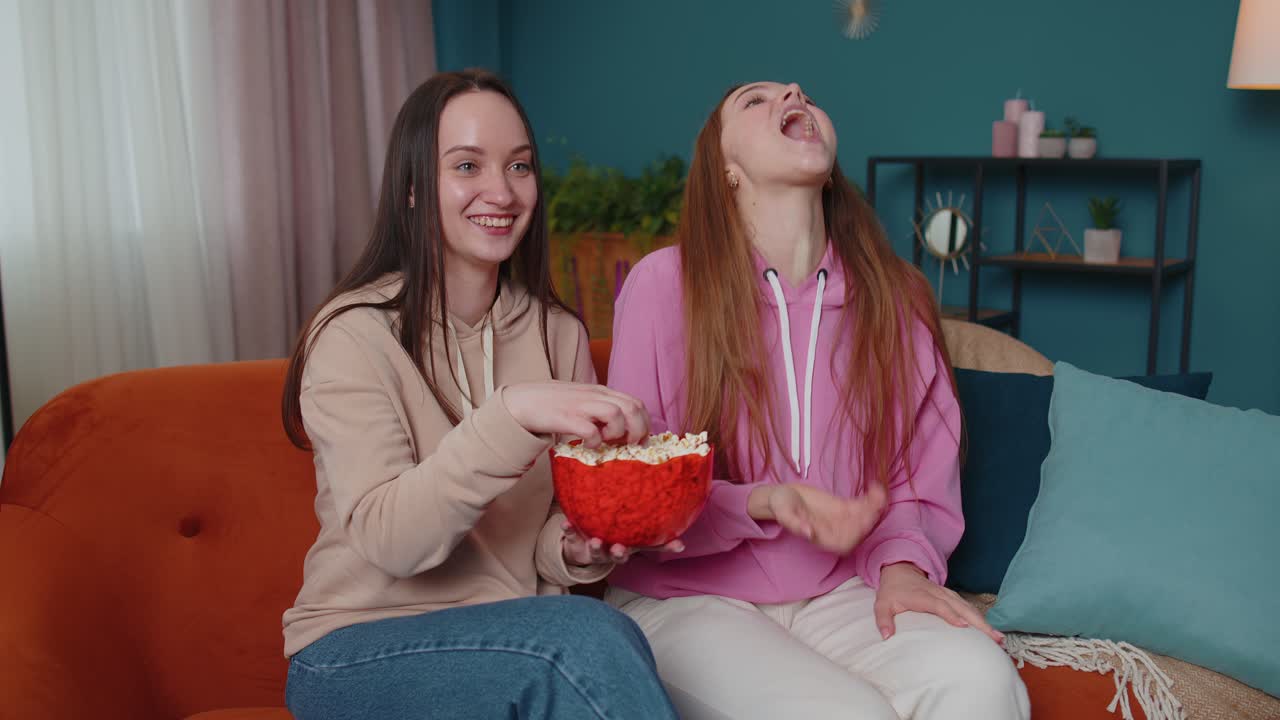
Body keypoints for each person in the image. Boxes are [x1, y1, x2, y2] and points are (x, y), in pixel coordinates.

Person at [604, 80, 1031, 720]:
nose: (793, 93)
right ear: (727, 172)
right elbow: (639, 489)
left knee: (982, 682)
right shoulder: (664, 284)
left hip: (840, 589)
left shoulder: (897, 296)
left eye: (799, 92)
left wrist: (903, 565)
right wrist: (766, 501)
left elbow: (919, 477)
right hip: (684, 598)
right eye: (755, 100)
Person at [280, 69, 679, 720]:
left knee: (586, 636)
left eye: (519, 166)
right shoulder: (352, 335)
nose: (501, 190)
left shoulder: (558, 335)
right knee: (585, 642)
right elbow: (392, 541)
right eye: (468, 165)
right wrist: (512, 413)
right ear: (412, 188)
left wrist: (576, 548)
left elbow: (542, 537)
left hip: (515, 641)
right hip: (353, 652)